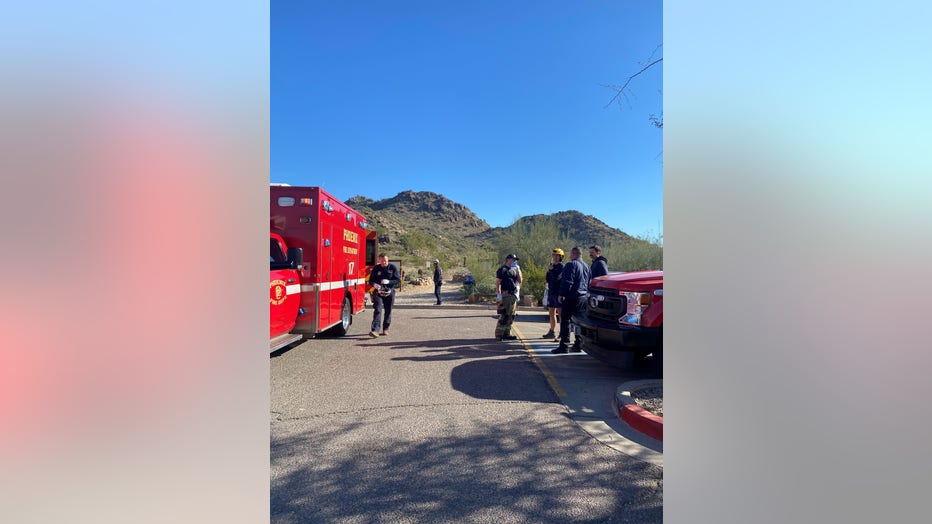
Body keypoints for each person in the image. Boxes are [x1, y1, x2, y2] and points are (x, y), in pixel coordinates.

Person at [552, 246, 591, 354]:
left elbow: (567, 281)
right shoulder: (587, 266)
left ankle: (564, 345)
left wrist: (561, 294)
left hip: (572, 297)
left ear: (573, 254)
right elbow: (588, 283)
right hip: (583, 297)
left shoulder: (571, 264)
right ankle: (578, 344)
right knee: (579, 322)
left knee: (565, 320)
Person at [368, 253, 401, 337]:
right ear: (379, 260)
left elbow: (397, 280)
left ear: (388, 260)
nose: (384, 262)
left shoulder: (392, 268)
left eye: (385, 261)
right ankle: (375, 330)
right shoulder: (376, 268)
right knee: (378, 310)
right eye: (382, 261)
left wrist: (389, 282)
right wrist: (374, 285)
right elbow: (371, 280)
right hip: (378, 292)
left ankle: (385, 328)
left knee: (388, 310)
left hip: (389, 292)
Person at [494, 253, 523, 341]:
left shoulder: (513, 270)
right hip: (505, 294)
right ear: (508, 259)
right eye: (513, 259)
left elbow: (519, 281)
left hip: (512, 294)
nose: (514, 261)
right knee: (504, 314)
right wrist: (499, 294)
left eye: (515, 260)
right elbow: (498, 282)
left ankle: (507, 333)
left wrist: (518, 271)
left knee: (511, 315)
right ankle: (499, 334)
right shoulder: (502, 269)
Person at [543, 248, 565, 340]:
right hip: (551, 292)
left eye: (557, 255)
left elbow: (557, 278)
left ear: (561, 257)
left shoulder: (561, 267)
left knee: (560, 314)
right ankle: (551, 331)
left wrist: (551, 270)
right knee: (551, 313)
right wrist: (549, 271)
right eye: (554, 255)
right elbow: (548, 279)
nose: (555, 257)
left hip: (558, 293)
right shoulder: (551, 266)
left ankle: (562, 332)